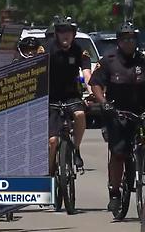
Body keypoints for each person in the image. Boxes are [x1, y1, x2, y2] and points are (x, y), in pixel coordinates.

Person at [89, 22, 145, 215]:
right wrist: (104, 102)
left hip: (140, 112)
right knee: (119, 153)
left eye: (132, 38)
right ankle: (114, 193)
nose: (129, 42)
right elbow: (95, 83)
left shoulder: (142, 60)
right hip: (117, 113)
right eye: (125, 39)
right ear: (119, 41)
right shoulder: (109, 61)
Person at [46, 16, 91, 175]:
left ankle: (76, 148)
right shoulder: (47, 50)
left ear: (74, 34)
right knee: (52, 141)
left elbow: (87, 75)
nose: (65, 35)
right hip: (50, 97)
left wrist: (91, 92)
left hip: (71, 95)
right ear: (56, 34)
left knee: (79, 114)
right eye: (61, 32)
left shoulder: (79, 50)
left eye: (68, 32)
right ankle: (49, 173)